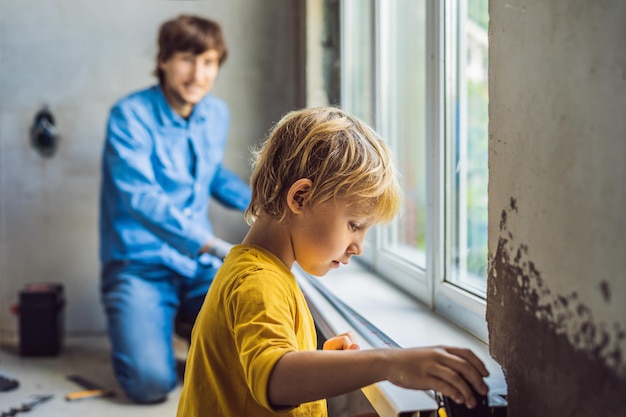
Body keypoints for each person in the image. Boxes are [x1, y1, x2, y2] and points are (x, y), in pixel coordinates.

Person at [176, 107, 489, 417]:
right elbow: (274, 379)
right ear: (300, 198)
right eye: (354, 225)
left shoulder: (261, 271)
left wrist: (315, 361)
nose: (359, 247)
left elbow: (260, 373)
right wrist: (390, 364)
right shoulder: (257, 281)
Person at [99, 15, 251, 404]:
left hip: (198, 267)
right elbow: (140, 195)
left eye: (210, 62)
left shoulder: (215, 113)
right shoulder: (128, 116)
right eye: (187, 58)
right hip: (140, 265)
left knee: (252, 340)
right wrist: (209, 243)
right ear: (164, 60)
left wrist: (260, 204)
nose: (198, 74)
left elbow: (210, 173)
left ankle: (187, 325)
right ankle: (163, 332)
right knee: (150, 385)